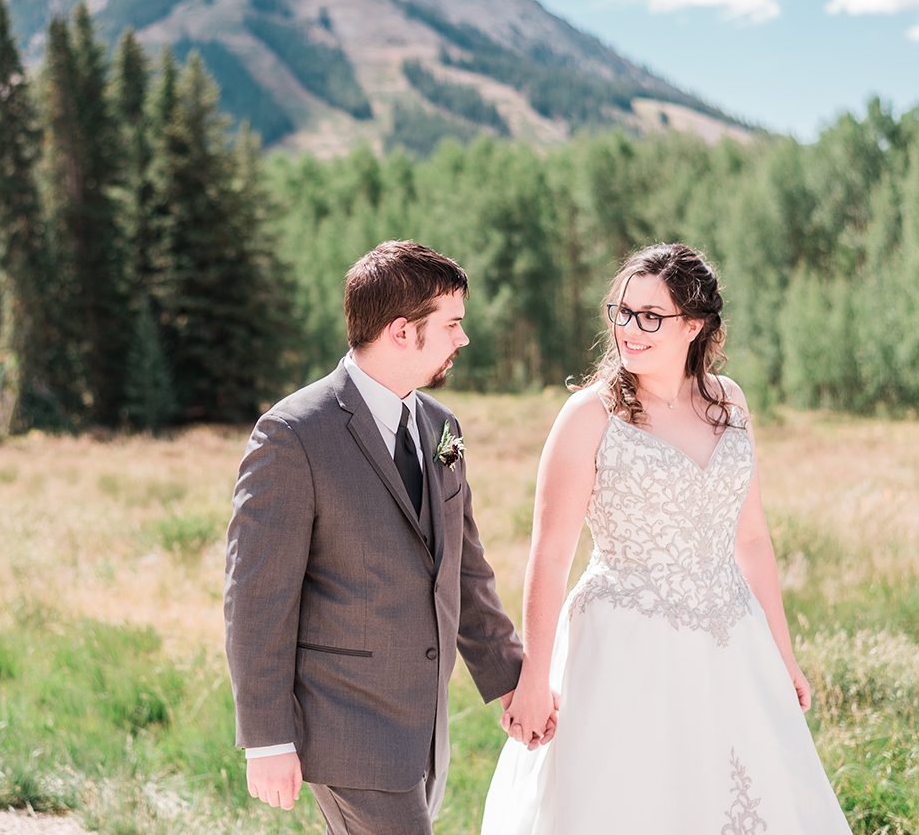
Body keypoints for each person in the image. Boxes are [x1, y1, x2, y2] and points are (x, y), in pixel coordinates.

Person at [481, 243, 850, 833]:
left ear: (695, 325)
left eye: (651, 316)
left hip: (733, 645)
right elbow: (550, 557)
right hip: (623, 650)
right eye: (621, 312)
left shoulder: (730, 403)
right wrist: (533, 677)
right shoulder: (588, 416)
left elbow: (751, 539)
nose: (630, 329)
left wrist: (783, 655)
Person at [224, 240, 549, 834]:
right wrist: (266, 737)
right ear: (403, 331)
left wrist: (507, 676)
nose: (462, 338)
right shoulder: (293, 434)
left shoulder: (440, 426)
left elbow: (463, 567)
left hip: (422, 728)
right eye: (452, 323)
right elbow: (256, 596)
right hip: (342, 728)